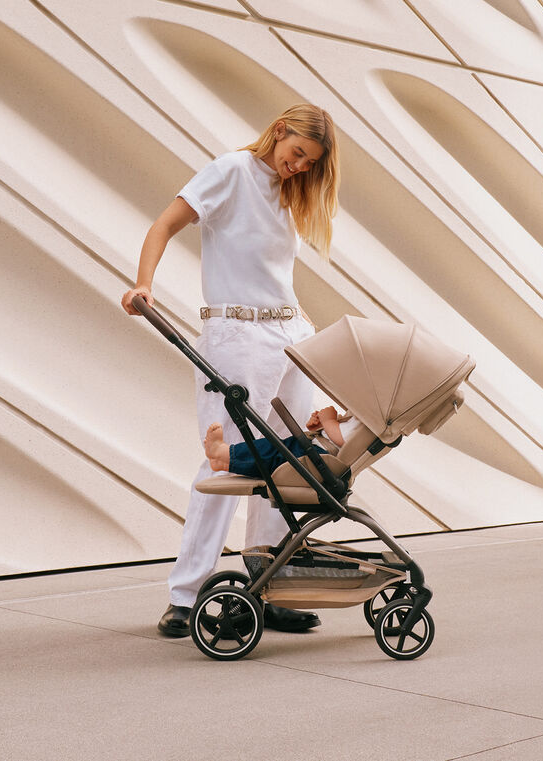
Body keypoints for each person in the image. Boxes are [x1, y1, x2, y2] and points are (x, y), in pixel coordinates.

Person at [121, 104, 340, 638]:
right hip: (237, 336)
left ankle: (268, 584)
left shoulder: (286, 195)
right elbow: (164, 224)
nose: (297, 168)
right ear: (280, 130)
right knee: (228, 462)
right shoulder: (231, 171)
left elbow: (273, 277)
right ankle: (186, 596)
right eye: (296, 155)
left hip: (291, 334)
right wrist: (143, 282)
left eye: (308, 164)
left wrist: (305, 332)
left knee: (289, 458)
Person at [203, 406, 355, 476]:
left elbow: (344, 441)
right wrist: (321, 426)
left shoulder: (372, 420)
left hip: (318, 458)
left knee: (271, 451)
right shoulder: (364, 414)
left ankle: (222, 452)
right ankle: (226, 462)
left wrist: (328, 420)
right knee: (272, 455)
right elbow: (337, 439)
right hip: (317, 453)